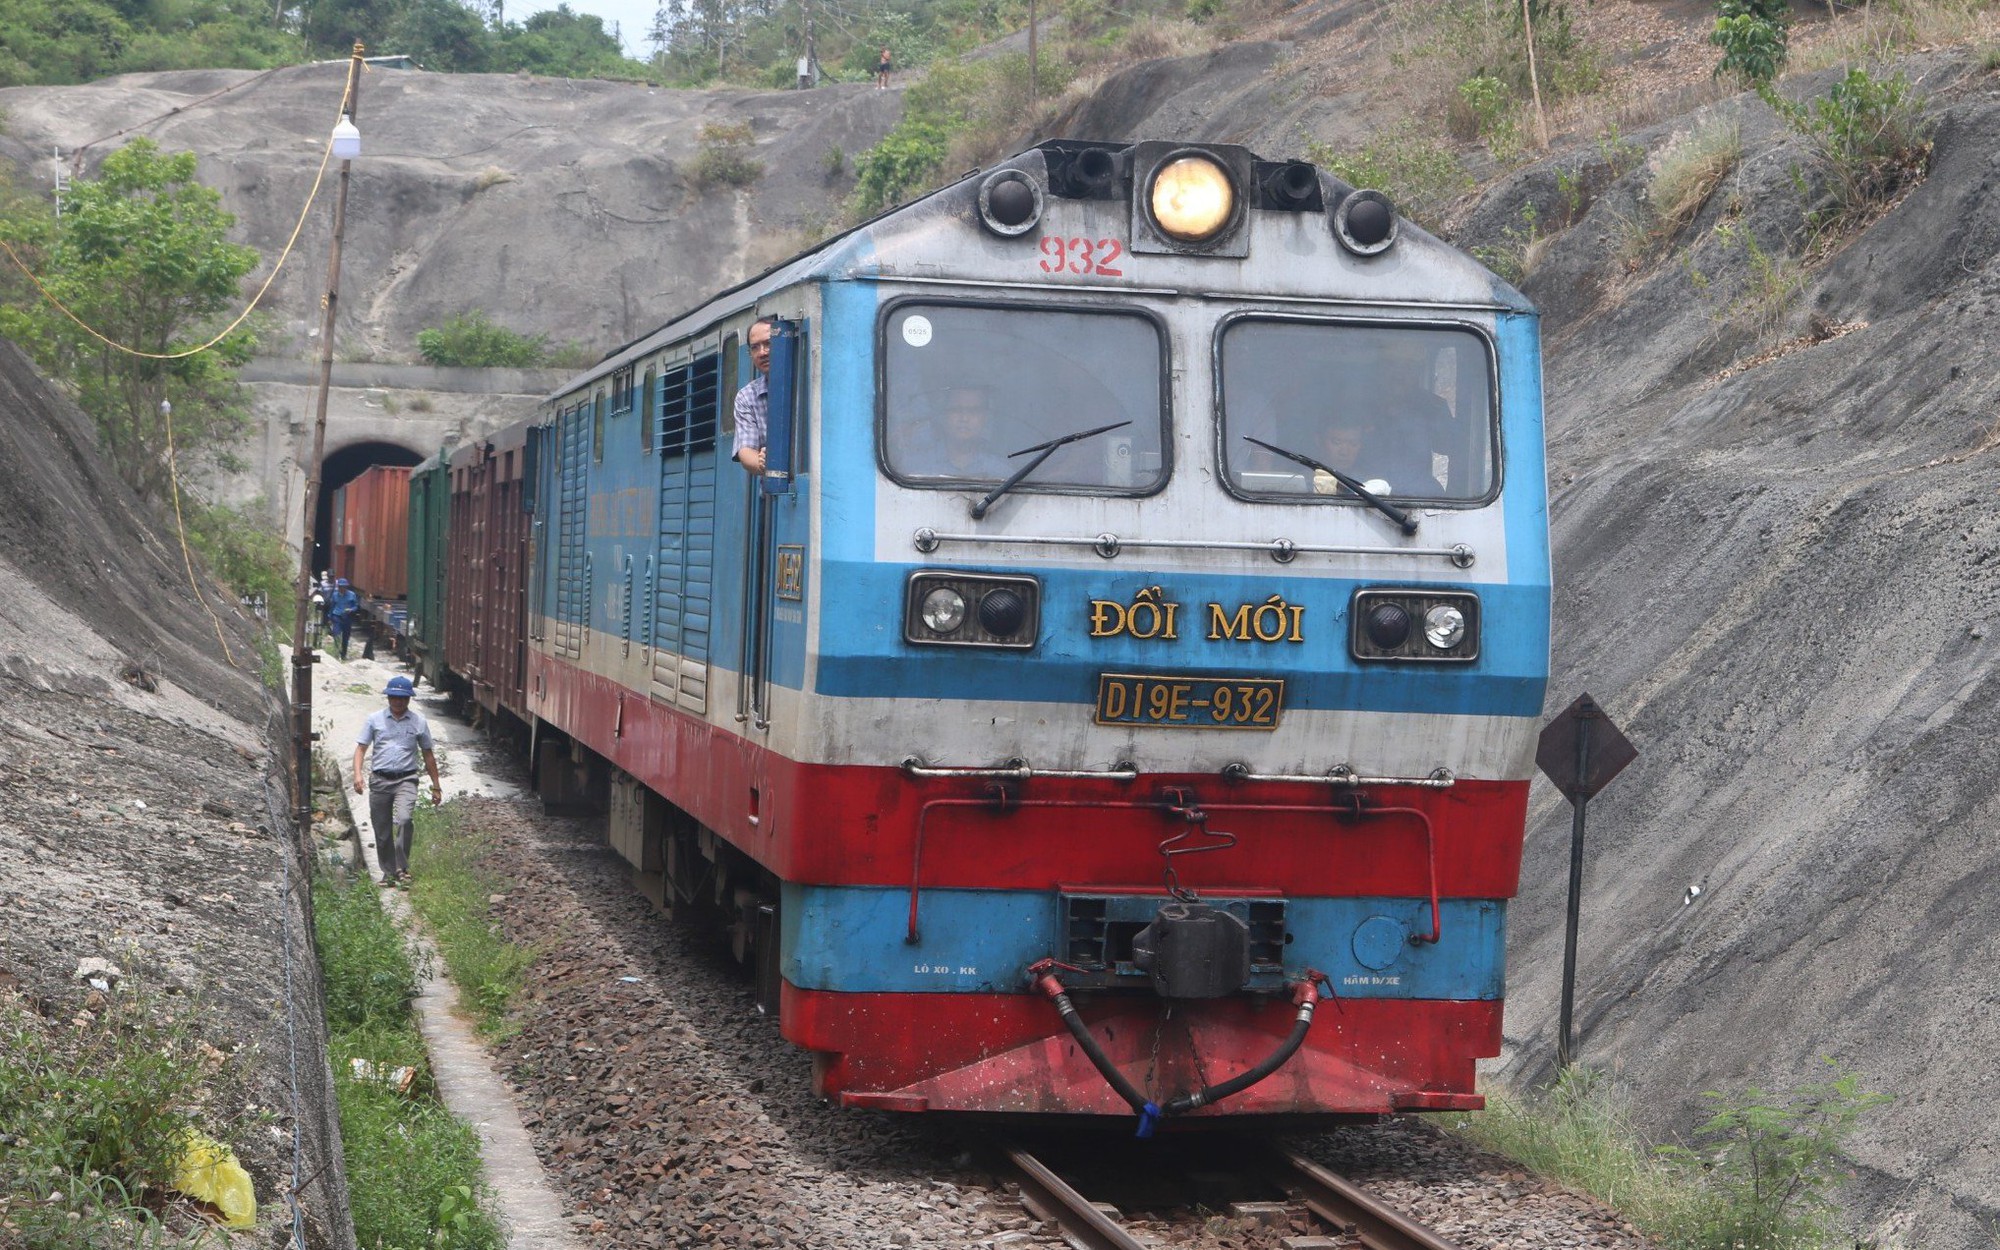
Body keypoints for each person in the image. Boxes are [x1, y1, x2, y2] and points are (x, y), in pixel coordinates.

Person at [352, 674, 442, 888]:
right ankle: (389, 873)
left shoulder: (419, 722)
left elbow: (428, 755)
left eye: (402, 698)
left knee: (404, 820)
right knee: (382, 831)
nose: (398, 702)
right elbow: (361, 748)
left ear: (409, 699)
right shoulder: (374, 720)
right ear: (388, 697)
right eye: (394, 697)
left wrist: (436, 786)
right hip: (380, 781)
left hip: (406, 779)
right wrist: (357, 775)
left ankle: (402, 868)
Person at [731, 317, 775, 474]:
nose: (762, 352)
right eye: (755, 347)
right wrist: (762, 462)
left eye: (768, 343)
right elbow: (745, 450)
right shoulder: (747, 396)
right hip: (773, 495)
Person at [931, 385, 991, 477]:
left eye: (973, 411)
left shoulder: (1003, 475)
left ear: (985, 418)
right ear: (944, 415)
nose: (964, 418)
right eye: (956, 410)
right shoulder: (913, 469)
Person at [328, 577, 361, 660]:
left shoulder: (352, 595)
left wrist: (351, 610)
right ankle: (336, 652)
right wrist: (329, 617)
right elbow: (332, 606)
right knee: (336, 633)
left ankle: (343, 654)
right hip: (337, 616)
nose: (342, 588)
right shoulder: (335, 595)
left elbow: (356, 606)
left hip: (347, 617)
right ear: (338, 587)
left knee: (346, 637)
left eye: (344, 587)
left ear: (346, 587)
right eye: (340, 587)